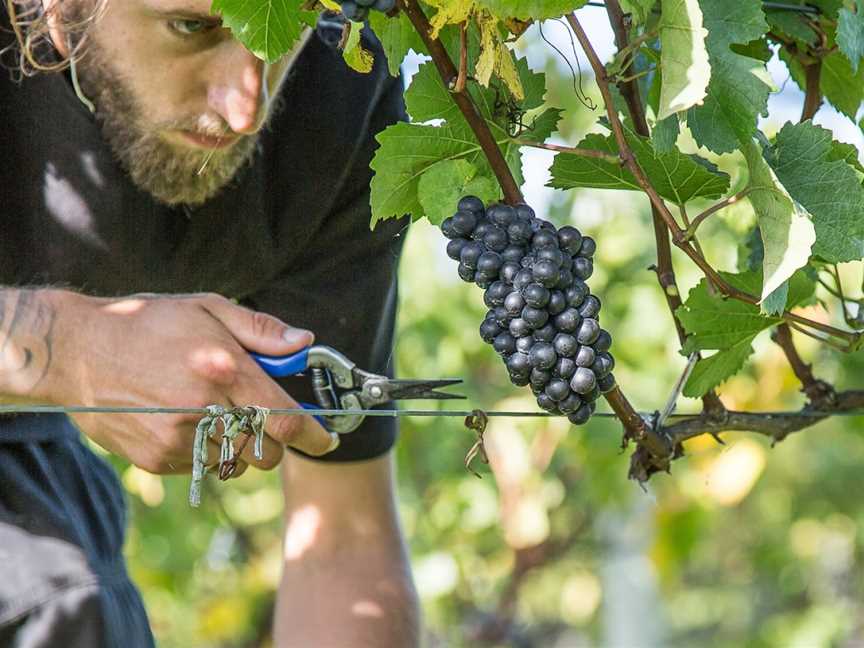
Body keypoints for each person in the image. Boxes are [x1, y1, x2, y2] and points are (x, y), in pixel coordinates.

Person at [0, 1, 420, 646]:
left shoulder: (346, 75)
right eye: (194, 27)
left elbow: (341, 534)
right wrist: (71, 351)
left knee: (71, 611)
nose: (245, 107)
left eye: (287, 34)